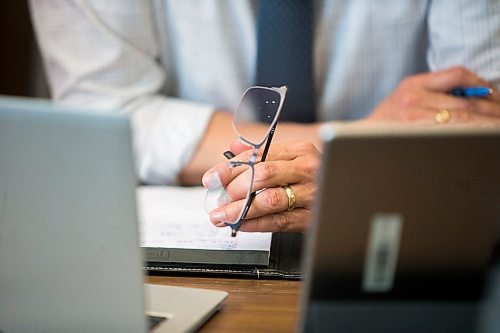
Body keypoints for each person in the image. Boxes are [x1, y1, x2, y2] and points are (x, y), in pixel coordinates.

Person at [30, 1, 500, 232]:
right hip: (191, 241)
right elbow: (104, 115)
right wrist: (360, 143)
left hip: (410, 225)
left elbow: (478, 115)